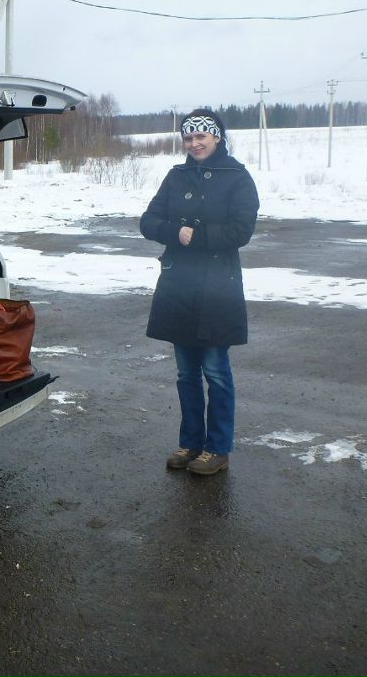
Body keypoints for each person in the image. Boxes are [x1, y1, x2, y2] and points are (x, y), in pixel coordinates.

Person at [140, 108, 259, 476]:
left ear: (217, 137)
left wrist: (200, 236)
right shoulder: (176, 177)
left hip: (217, 287)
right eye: (188, 138)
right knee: (186, 373)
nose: (194, 143)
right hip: (178, 285)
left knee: (216, 371)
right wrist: (174, 231)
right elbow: (148, 221)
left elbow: (242, 229)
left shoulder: (238, 177)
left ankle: (217, 449)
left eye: (201, 136)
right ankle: (190, 443)